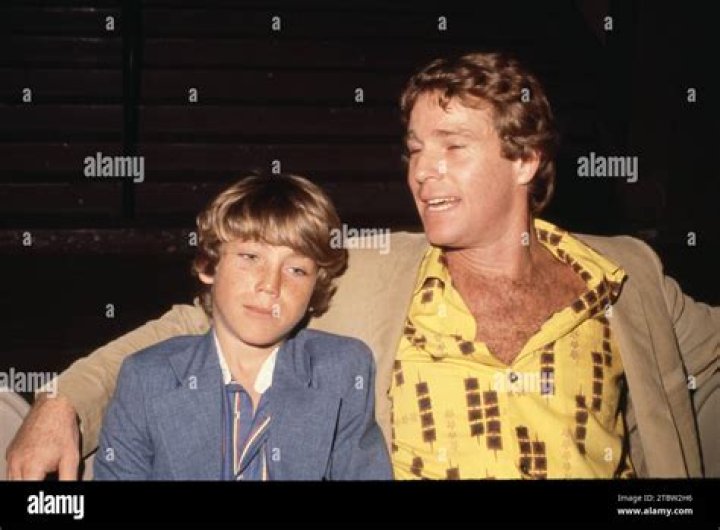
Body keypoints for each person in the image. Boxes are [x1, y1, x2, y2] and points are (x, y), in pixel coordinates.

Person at [6, 52, 718, 480]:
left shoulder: (625, 274)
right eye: (415, 150)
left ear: (525, 160)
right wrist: (60, 401)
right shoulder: (376, 268)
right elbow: (198, 326)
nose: (423, 171)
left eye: (452, 146)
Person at [95, 174, 391, 480]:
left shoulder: (341, 369)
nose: (270, 285)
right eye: (250, 257)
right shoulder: (147, 378)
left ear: (315, 287)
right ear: (209, 265)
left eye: (296, 270)